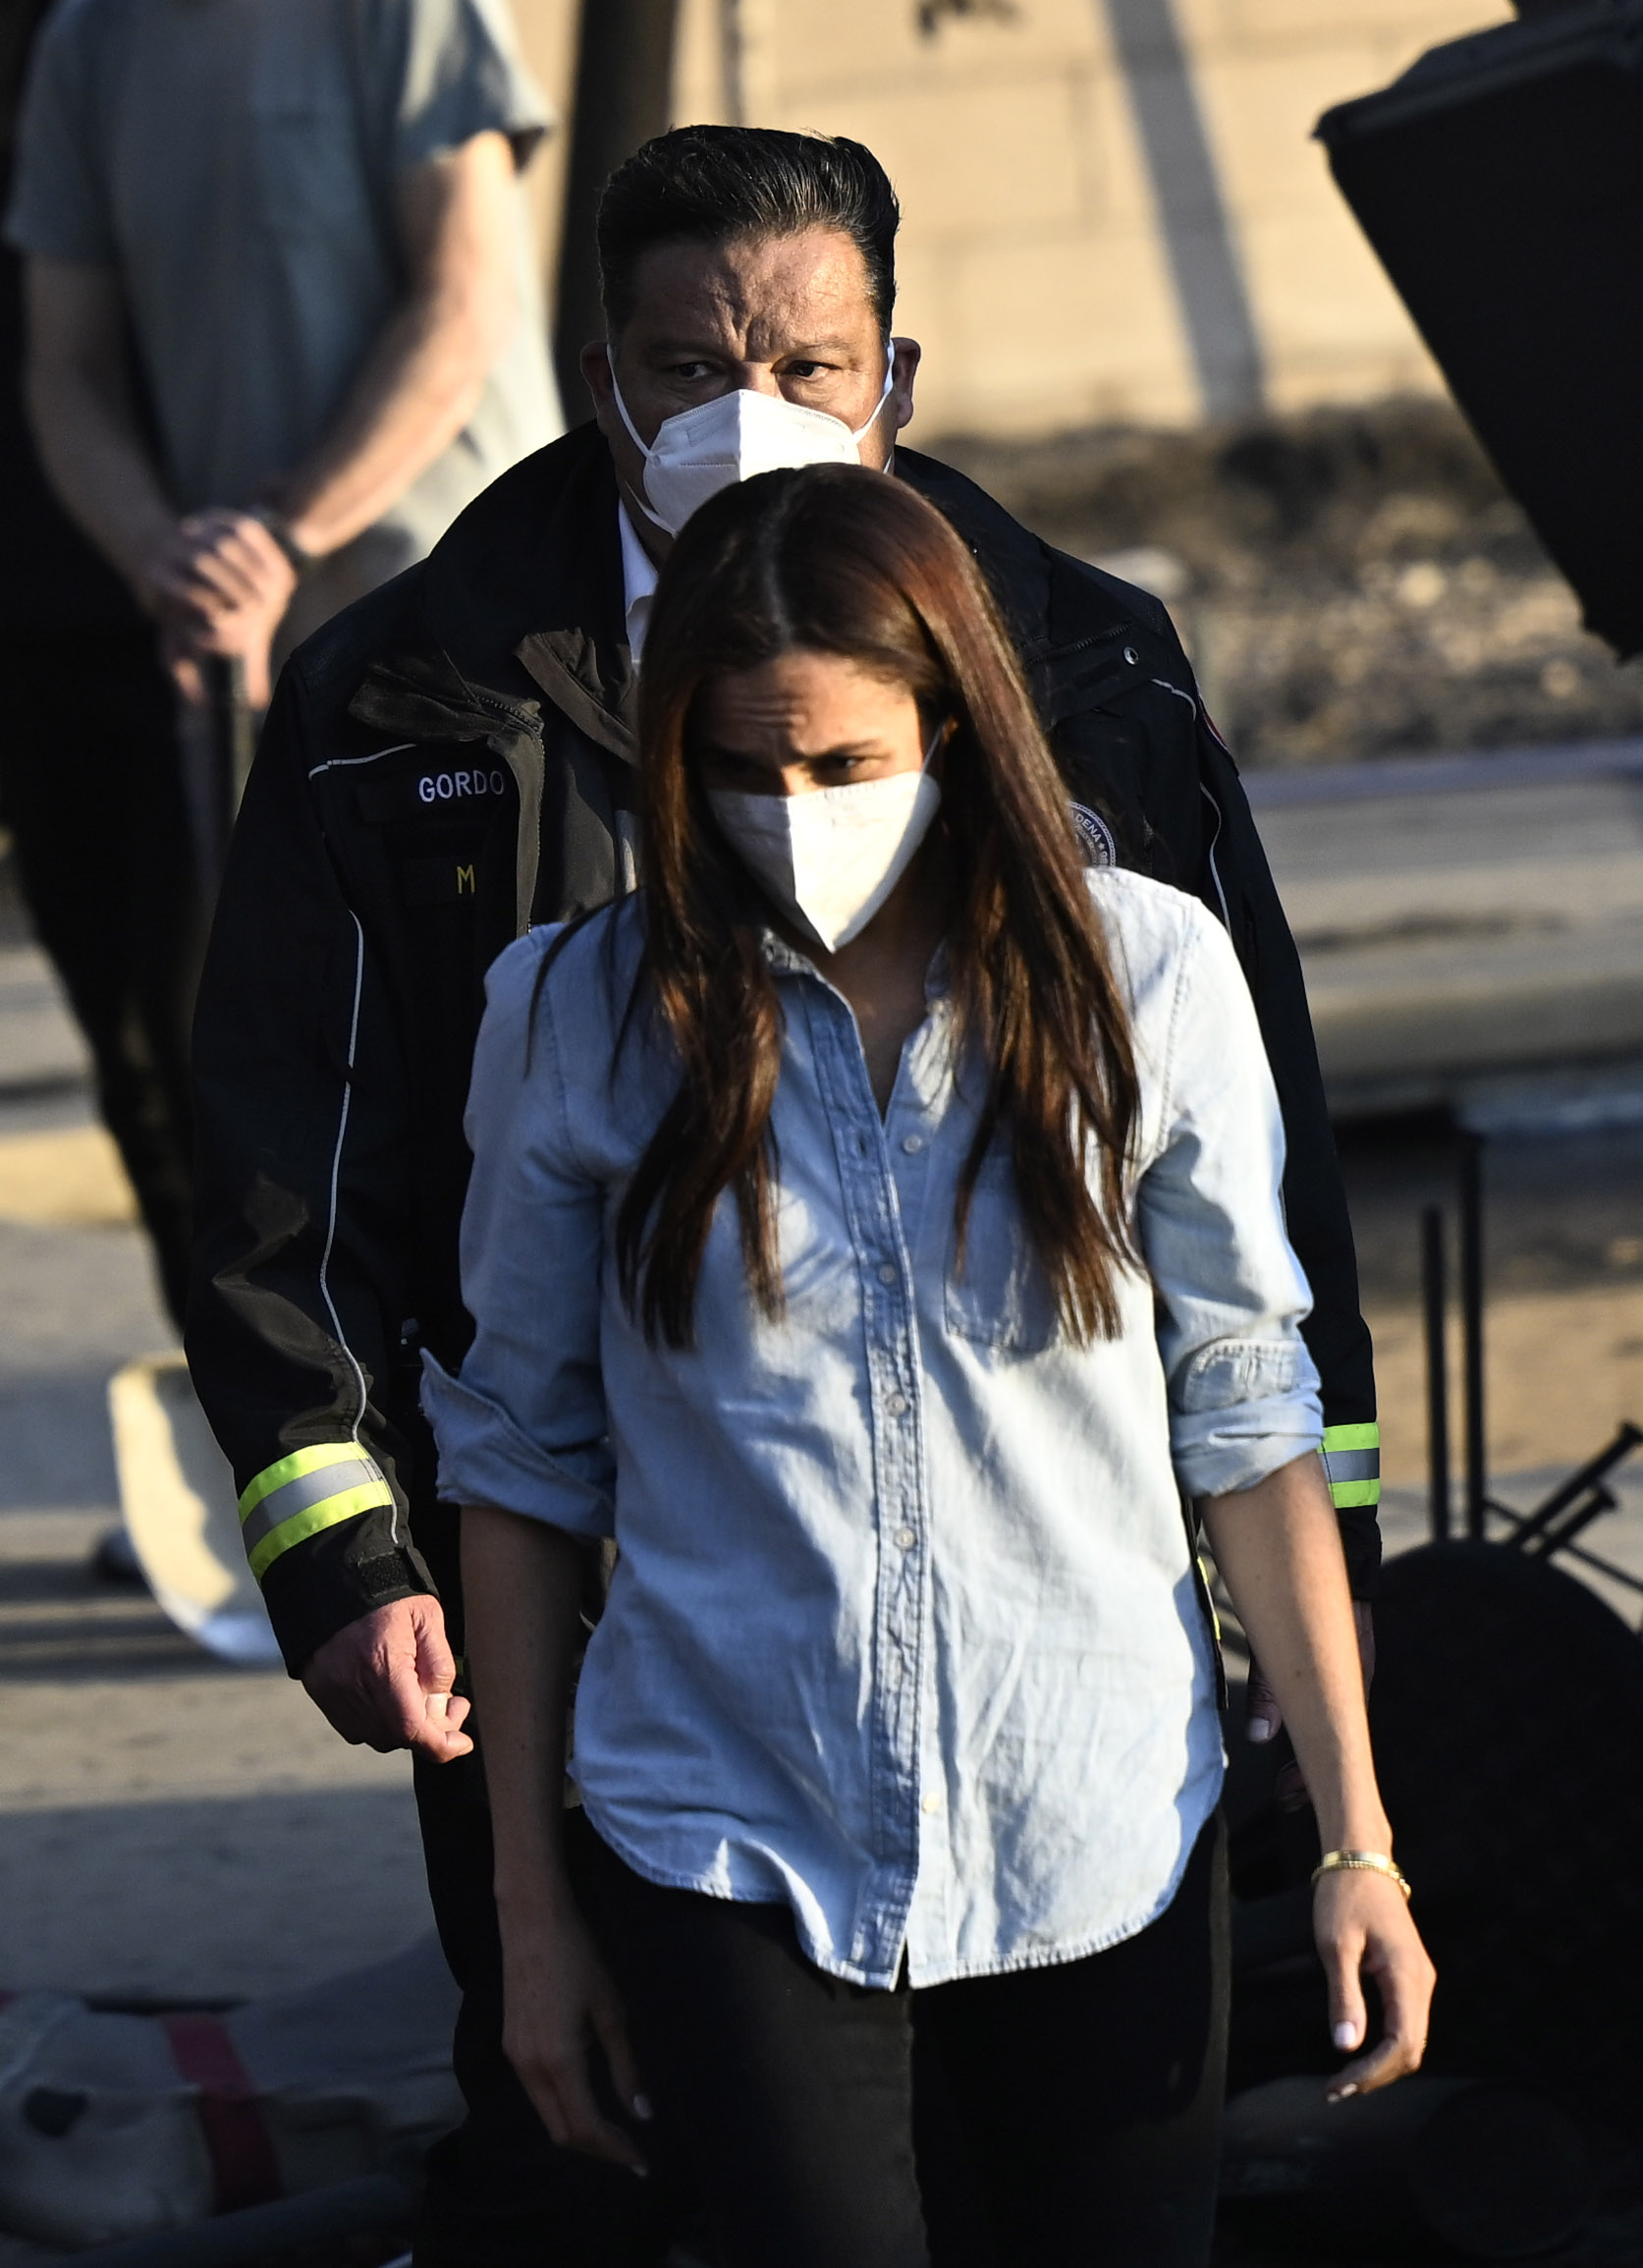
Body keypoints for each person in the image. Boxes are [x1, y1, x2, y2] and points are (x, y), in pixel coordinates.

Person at [184, 128, 1382, 2264]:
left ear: (891, 377)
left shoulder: (1086, 672)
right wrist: (349, 1550)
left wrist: (1327, 1650)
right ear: (595, 373)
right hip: (607, 1667)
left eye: (809, 362)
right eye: (689, 360)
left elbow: (1247, 1279)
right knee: (587, 2171)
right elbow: (289, 1169)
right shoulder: (408, 707)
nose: (754, 416)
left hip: (1068, 1731)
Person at [431, 463, 1435, 2268]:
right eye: (740, 769)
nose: (790, 810)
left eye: (841, 763)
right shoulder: (573, 1016)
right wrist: (531, 1912)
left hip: (1104, 1828)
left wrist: (1359, 1836)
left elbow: (1248, 1407)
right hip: (728, 1840)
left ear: (957, 728)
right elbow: (516, 1464)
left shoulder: (1148, 980)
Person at [5, 0, 563, 712]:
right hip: (251, 643)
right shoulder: (84, 38)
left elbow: (465, 305)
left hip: (462, 613)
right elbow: (68, 370)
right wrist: (163, 558)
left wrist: (282, 540)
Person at [0, 0, 196, 1325]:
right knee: (131, 1064)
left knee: (205, 1054)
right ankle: (254, 1437)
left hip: (183, 608)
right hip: (29, 627)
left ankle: (303, 1444)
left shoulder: (129, 40)